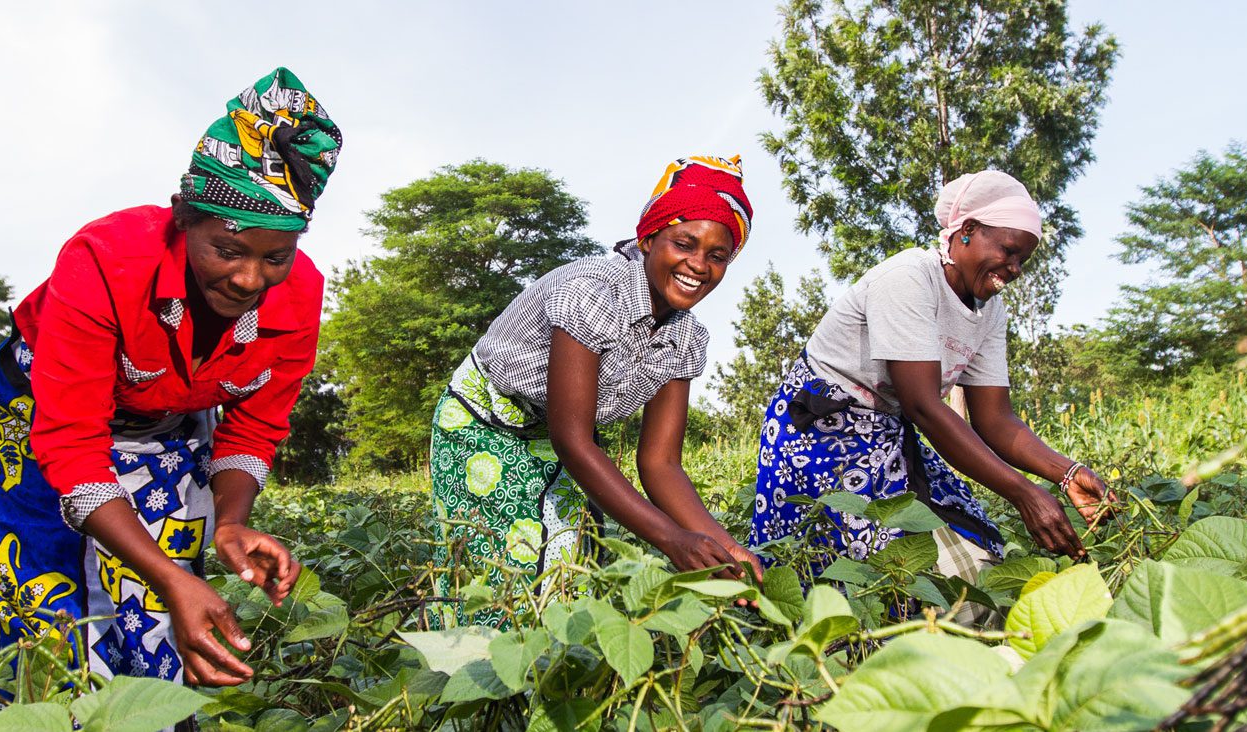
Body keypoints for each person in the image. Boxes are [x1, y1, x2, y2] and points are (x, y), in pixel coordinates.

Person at [0, 68, 341, 687]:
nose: (251, 279)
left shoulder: (298, 298)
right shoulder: (106, 260)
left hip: (167, 424)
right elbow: (70, 442)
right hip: (40, 414)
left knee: (161, 630)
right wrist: (172, 577)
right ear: (184, 219)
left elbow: (252, 429)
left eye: (274, 257)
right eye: (228, 249)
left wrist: (229, 523)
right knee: (48, 613)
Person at [748, 170, 1114, 615]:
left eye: (1023, 261)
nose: (1014, 270)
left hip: (887, 432)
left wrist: (1067, 472)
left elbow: (995, 419)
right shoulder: (907, 279)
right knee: (871, 571)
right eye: (1009, 252)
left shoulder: (990, 310)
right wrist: (1022, 493)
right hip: (820, 432)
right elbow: (923, 405)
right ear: (967, 232)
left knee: (978, 551)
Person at [430, 155, 763, 628]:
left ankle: (551, 689)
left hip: (557, 430)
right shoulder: (592, 292)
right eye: (683, 243)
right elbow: (575, 442)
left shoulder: (686, 338)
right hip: (483, 419)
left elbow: (660, 463)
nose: (697, 265)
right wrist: (671, 540)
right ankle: (477, 683)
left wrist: (726, 549)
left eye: (717, 255)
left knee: (573, 566)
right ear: (648, 240)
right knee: (505, 571)